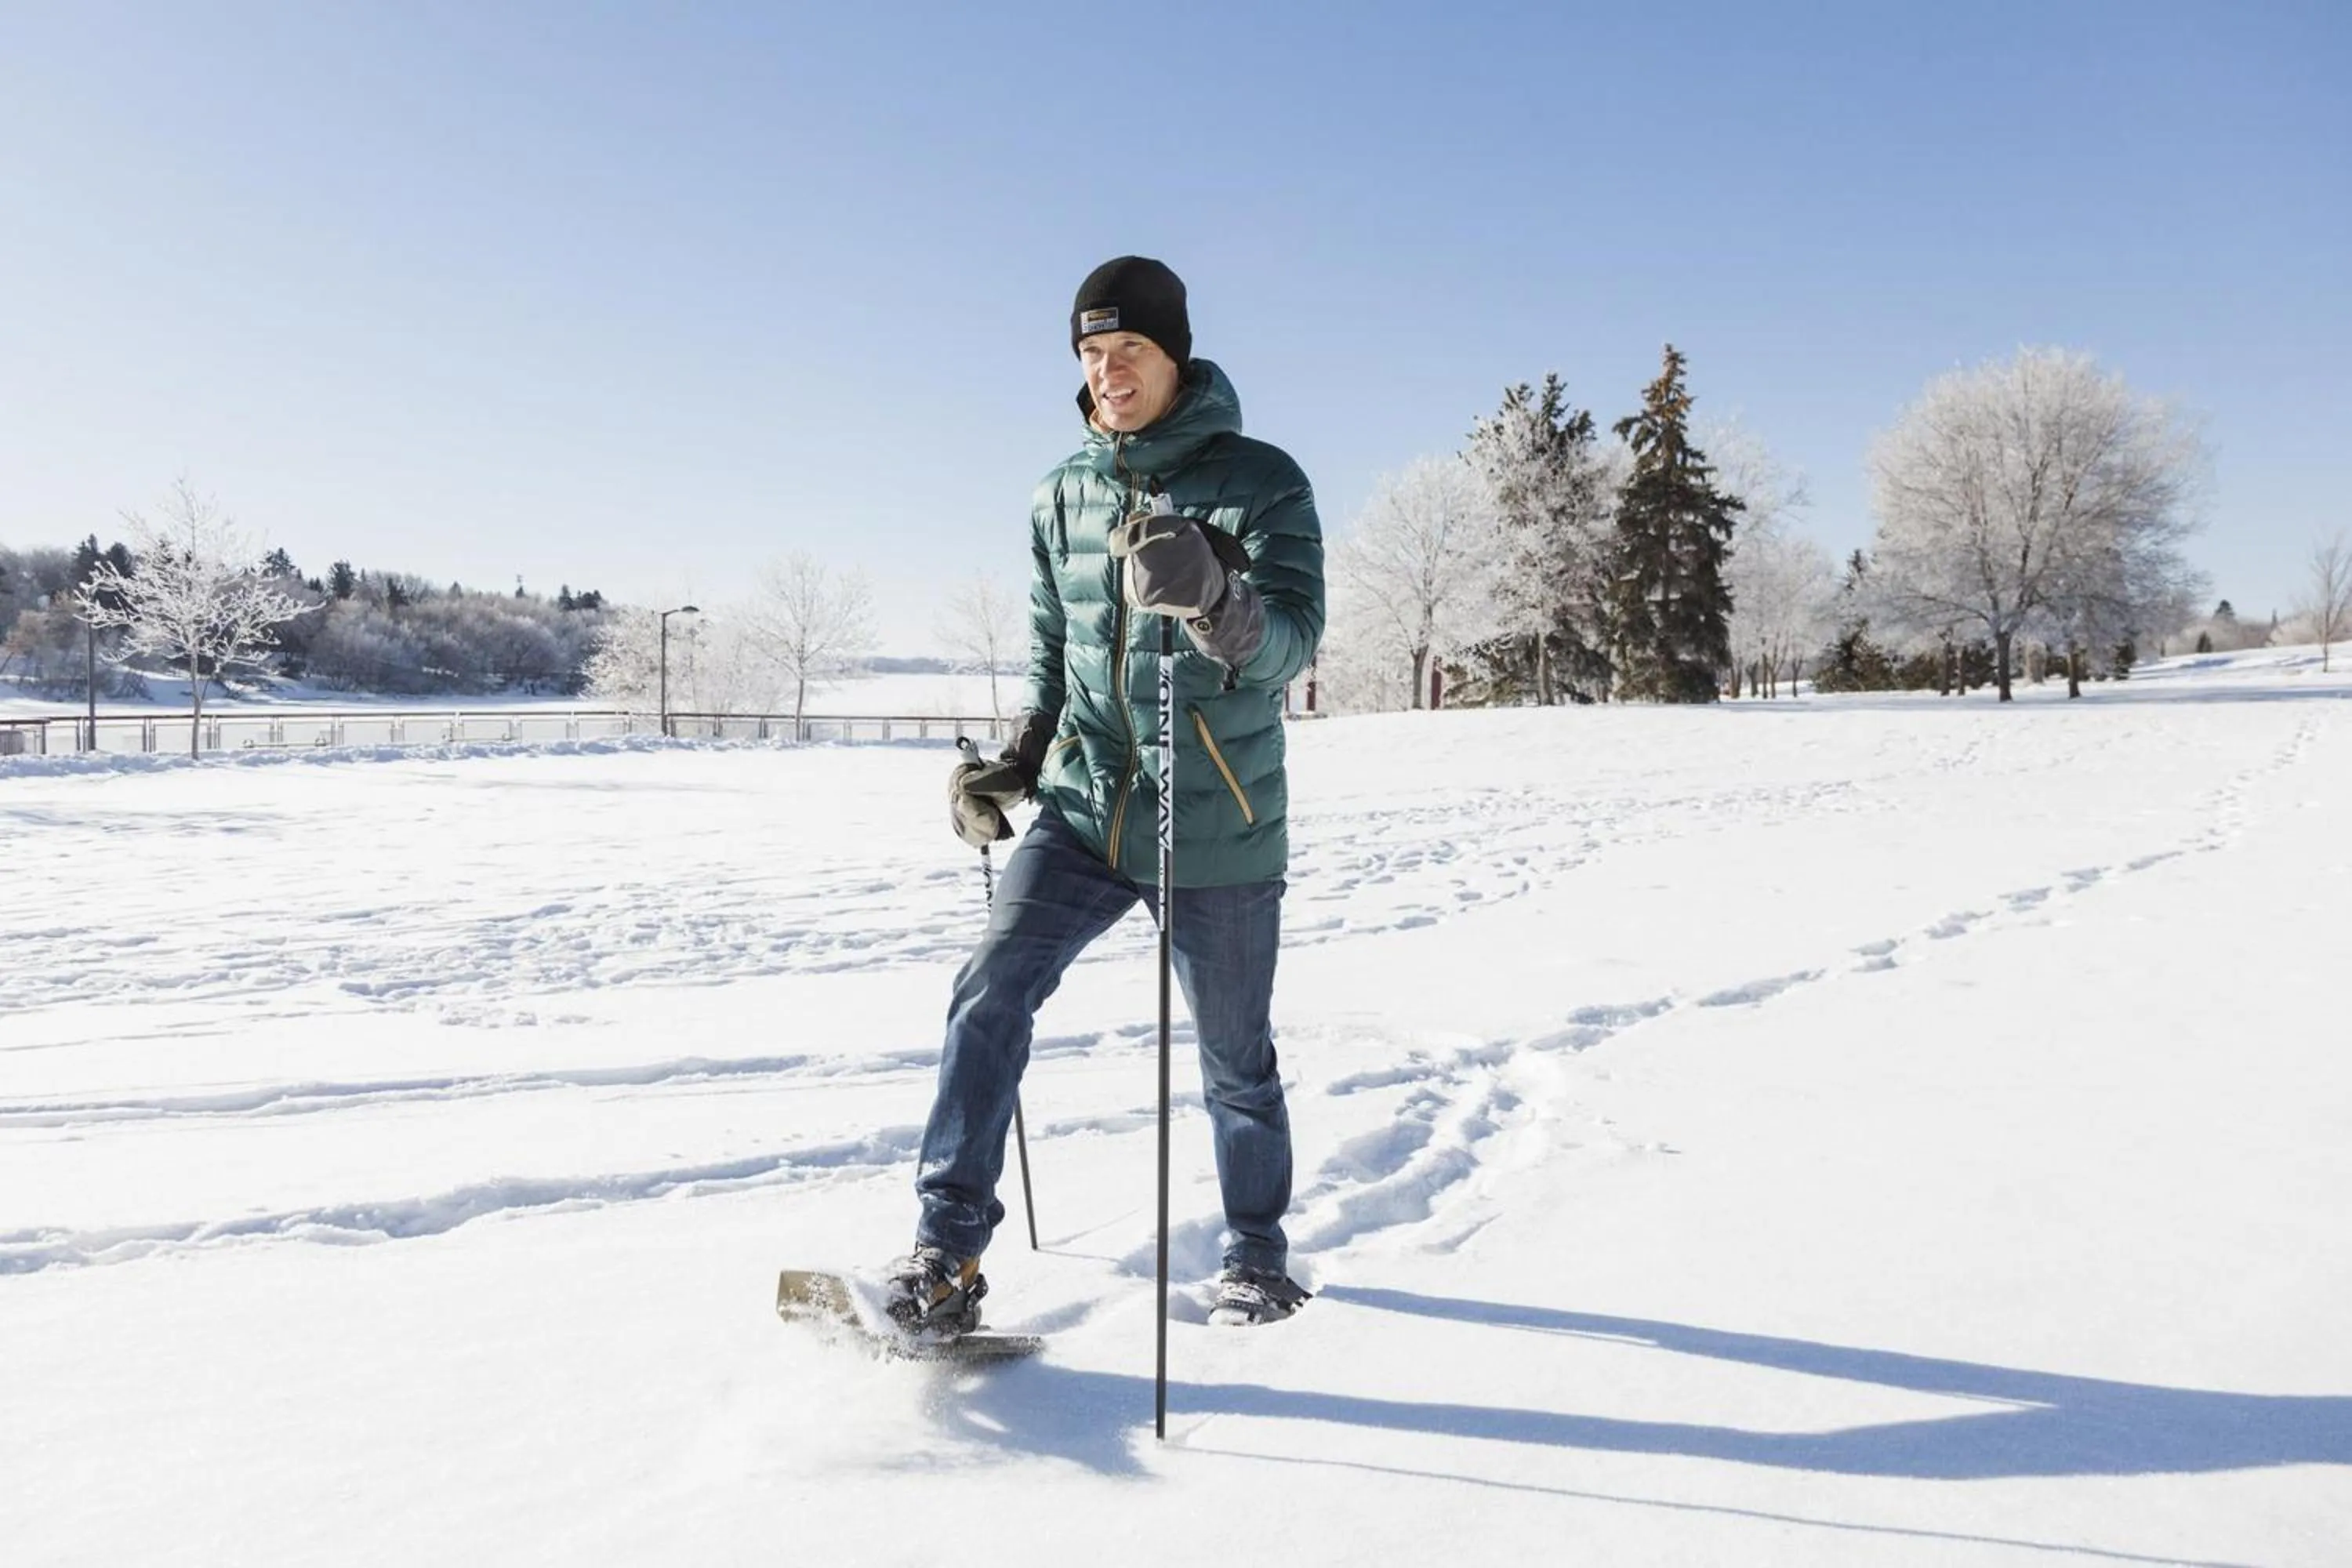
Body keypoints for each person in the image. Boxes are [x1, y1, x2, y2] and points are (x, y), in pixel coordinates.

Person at [885, 256, 1325, 1331]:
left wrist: (1218, 597)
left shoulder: (1264, 481)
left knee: (1234, 1060)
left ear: (1175, 354)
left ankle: (1257, 1259)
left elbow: (1290, 645)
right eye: (1091, 353)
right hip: (1088, 806)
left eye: (1127, 350)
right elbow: (1054, 653)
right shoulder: (1062, 494)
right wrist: (1014, 764)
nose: (1108, 372)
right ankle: (944, 1257)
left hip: (1216, 817)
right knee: (990, 992)